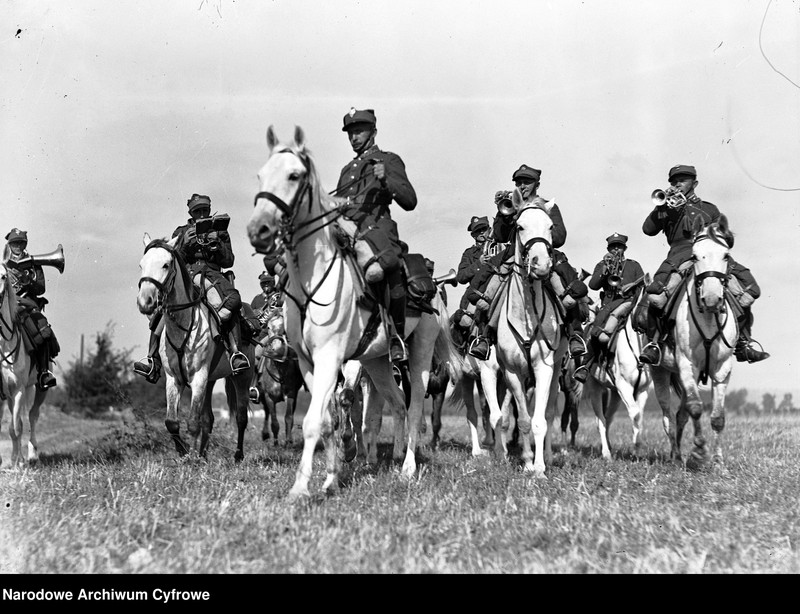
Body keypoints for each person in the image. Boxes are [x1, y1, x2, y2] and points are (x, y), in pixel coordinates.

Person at [638, 164, 769, 365]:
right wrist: (661, 207)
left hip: (710, 254)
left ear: (694, 183)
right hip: (679, 254)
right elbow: (648, 230)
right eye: (674, 181)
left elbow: (727, 240)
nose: (676, 184)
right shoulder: (666, 208)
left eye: (682, 180)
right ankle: (655, 344)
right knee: (656, 293)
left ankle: (743, 342)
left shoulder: (709, 209)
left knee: (747, 287)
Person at [470, 165, 589, 356]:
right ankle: (484, 337)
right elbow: (500, 237)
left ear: (537, 184)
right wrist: (502, 212)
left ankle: (575, 334)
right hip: (514, 255)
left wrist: (541, 233)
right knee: (487, 286)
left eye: (527, 182)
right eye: (519, 182)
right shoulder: (510, 205)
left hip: (542, 252)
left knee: (567, 284)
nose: (522, 186)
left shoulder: (549, 205)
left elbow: (559, 238)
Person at [133, 193, 250, 382]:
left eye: (205, 210)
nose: (202, 214)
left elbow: (229, 261)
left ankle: (234, 353)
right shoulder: (181, 232)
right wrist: (184, 245)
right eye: (198, 211)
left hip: (213, 275)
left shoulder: (219, 231)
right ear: (191, 212)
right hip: (188, 276)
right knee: (163, 309)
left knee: (233, 301)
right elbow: (173, 260)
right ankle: (152, 358)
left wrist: (218, 243)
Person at [335, 107, 417, 364]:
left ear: (373, 132)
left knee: (388, 265)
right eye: (351, 133)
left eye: (359, 131)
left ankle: (397, 334)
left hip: (376, 229)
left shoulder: (388, 160)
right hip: (347, 230)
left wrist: (386, 181)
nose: (354, 138)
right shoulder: (347, 169)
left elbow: (410, 200)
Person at [573, 233, 645, 383]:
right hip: (607, 305)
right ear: (608, 248)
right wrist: (604, 270)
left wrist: (630, 287)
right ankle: (586, 366)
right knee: (595, 330)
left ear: (625, 248)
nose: (616, 249)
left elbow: (642, 284)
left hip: (629, 303)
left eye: (619, 246)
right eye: (613, 247)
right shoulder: (601, 265)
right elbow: (593, 285)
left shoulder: (633, 265)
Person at [3, 228, 59, 389]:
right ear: (10, 245)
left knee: (43, 330)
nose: (18, 246)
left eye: (20, 243)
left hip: (28, 305)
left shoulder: (34, 264)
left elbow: (41, 288)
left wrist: (28, 281)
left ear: (25, 244)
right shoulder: (4, 265)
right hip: (8, 305)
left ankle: (43, 373)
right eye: (14, 243)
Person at [451, 215, 494, 359]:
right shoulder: (469, 253)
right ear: (473, 235)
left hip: (497, 290)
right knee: (465, 321)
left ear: (490, 229)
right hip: (476, 293)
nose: (482, 233)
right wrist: (479, 264)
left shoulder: (500, 247)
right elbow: (461, 277)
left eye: (484, 229)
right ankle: (459, 356)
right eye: (478, 231)